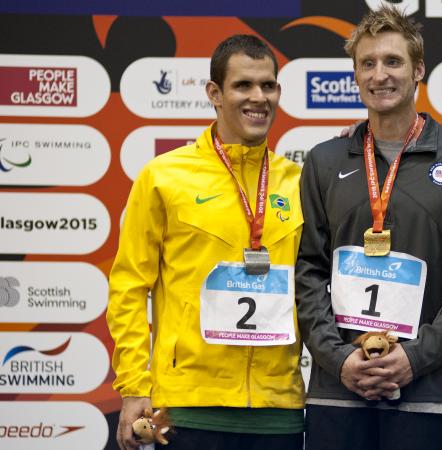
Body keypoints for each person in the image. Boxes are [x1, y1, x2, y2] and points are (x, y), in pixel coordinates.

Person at [295, 6, 442, 450]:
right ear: (356, 75)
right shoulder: (324, 160)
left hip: (424, 392)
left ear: (418, 69)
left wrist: (415, 358)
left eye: (393, 61)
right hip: (335, 390)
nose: (380, 74)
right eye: (368, 63)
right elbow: (307, 270)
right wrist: (338, 358)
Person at [107, 34, 305, 450]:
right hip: (186, 406)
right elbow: (129, 286)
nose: (259, 97)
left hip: (278, 410)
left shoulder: (301, 181)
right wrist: (133, 386)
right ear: (214, 93)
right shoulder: (164, 176)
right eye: (243, 85)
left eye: (268, 85)